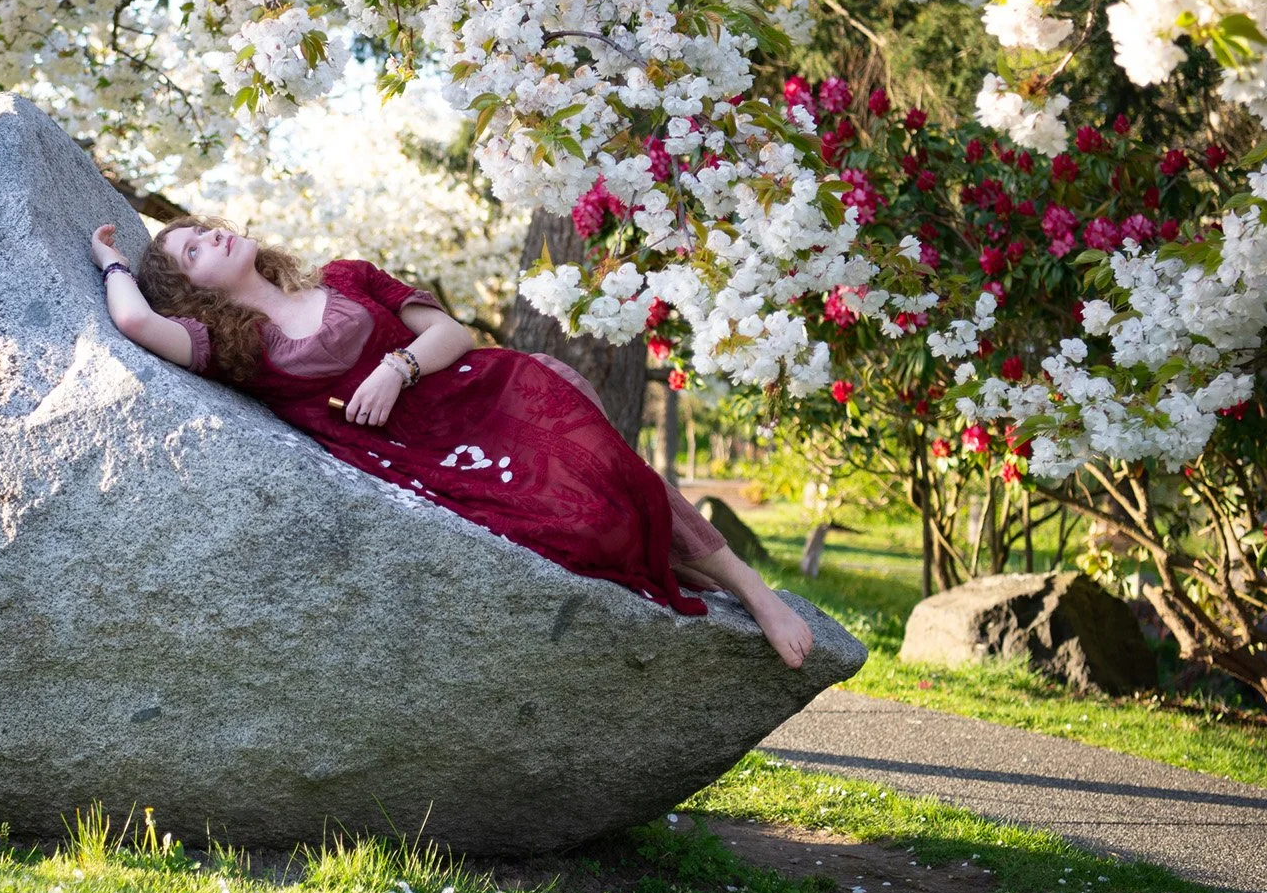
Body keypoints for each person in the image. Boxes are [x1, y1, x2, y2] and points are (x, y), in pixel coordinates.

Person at [90, 216, 815, 668]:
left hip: (485, 391)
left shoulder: (347, 276)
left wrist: (395, 366)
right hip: (427, 455)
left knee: (599, 461)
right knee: (583, 524)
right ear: (197, 295)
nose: (213, 233)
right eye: (193, 250)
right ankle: (682, 560)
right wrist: (113, 264)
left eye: (204, 227)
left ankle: (754, 591)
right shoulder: (231, 347)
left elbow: (450, 333)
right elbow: (132, 324)